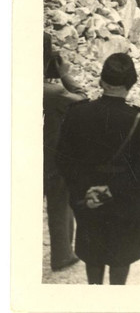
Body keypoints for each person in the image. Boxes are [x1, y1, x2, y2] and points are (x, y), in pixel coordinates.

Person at [55, 53, 140, 285]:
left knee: (93, 258)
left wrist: (85, 192)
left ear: (101, 82)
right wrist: (111, 191)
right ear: (131, 84)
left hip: (88, 201)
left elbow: (63, 160)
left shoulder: (78, 113)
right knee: (121, 260)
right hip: (125, 203)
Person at [43, 34, 87, 273]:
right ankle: (62, 253)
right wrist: (64, 75)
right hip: (49, 155)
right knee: (59, 200)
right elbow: (83, 98)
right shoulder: (53, 92)